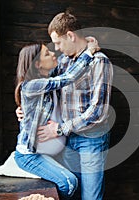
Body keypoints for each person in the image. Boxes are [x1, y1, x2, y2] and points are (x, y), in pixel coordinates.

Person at [38, 12, 113, 200]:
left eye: (58, 43)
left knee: (90, 197)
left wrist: (60, 129)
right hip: (69, 140)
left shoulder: (99, 61)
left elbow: (98, 112)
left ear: (70, 36)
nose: (56, 48)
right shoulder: (63, 61)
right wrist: (22, 107)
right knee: (72, 192)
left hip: (91, 140)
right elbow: (42, 84)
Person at [13, 41, 98, 199]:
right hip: (31, 155)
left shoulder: (49, 79)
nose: (53, 54)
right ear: (37, 64)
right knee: (69, 183)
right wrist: (89, 53)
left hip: (54, 152)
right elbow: (69, 77)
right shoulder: (32, 85)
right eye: (47, 53)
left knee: (78, 184)